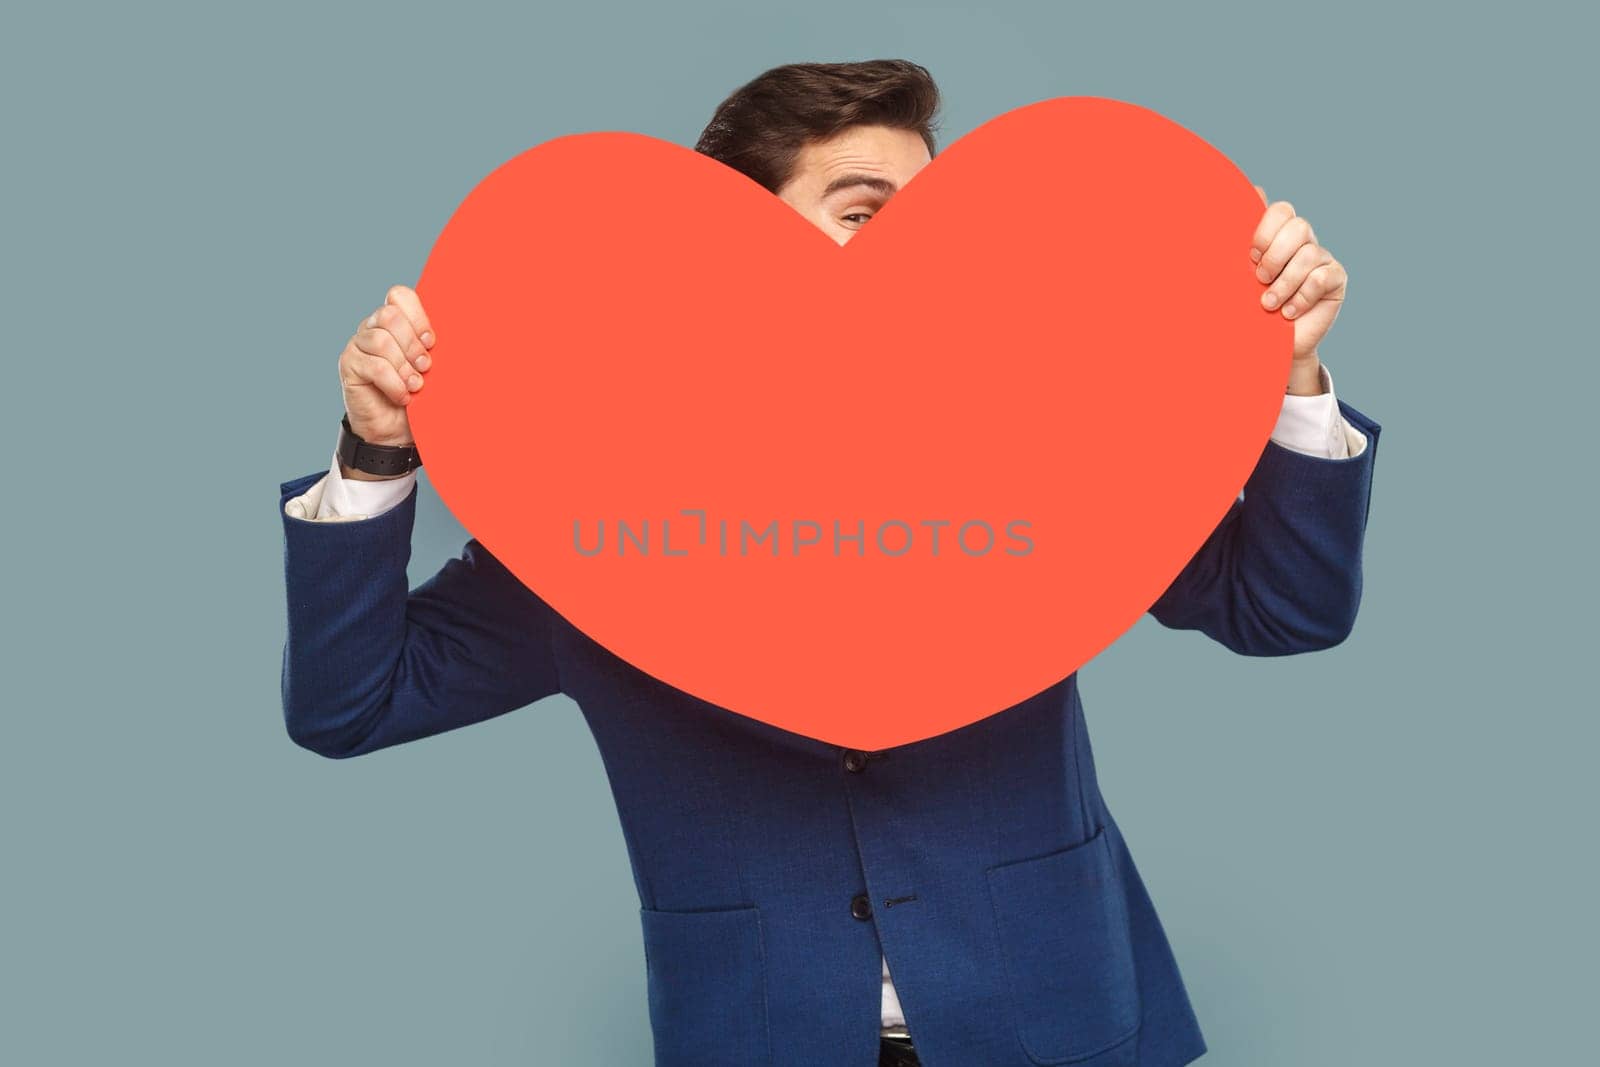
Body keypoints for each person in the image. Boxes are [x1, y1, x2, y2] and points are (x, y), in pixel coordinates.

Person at [278, 60, 1380, 1067]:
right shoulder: (589, 522)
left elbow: (1284, 610)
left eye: (936, 226)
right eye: (864, 215)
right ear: (729, 246)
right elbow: (351, 703)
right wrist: (378, 448)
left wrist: (1289, 371)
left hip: (1061, 1020)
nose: (916, 258)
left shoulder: (1042, 459)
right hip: (763, 1035)